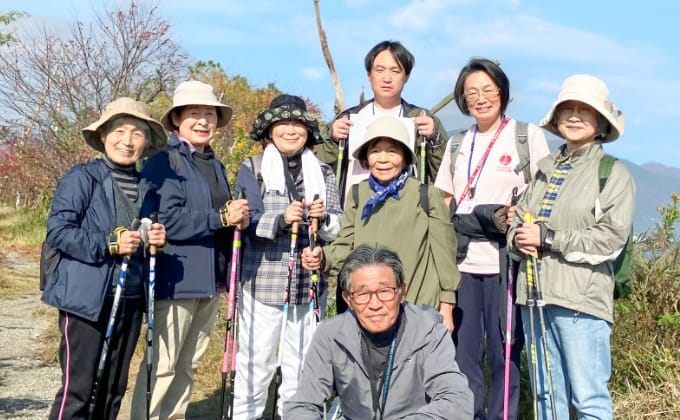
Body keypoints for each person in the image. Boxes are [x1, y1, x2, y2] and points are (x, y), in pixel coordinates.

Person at [508, 74, 634, 419]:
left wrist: (549, 238)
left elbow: (610, 239)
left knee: (589, 399)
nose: (574, 116)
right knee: (546, 396)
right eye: (568, 109)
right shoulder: (543, 170)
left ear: (600, 122)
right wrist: (518, 237)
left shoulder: (613, 173)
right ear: (557, 117)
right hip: (534, 297)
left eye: (585, 110)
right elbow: (518, 222)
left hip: (582, 301)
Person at [433, 58, 550, 420]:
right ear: (462, 99)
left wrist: (522, 216)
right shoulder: (457, 144)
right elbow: (444, 203)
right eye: (472, 93)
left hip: (507, 262)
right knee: (463, 355)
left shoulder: (526, 137)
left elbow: (544, 195)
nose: (480, 98)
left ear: (502, 92)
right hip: (463, 264)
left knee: (505, 354)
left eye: (488, 90)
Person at [42, 97, 167, 420]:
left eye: (137, 133)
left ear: (146, 142)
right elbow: (59, 231)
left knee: (113, 389)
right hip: (85, 299)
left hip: (131, 297)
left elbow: (140, 239)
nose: (127, 140)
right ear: (103, 135)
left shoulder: (147, 188)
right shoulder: (82, 177)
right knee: (79, 389)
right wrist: (109, 243)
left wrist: (154, 240)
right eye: (119, 131)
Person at [130, 80, 250, 420]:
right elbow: (165, 219)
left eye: (209, 114)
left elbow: (221, 220)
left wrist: (237, 221)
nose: (202, 121)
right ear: (177, 119)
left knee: (188, 366)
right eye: (194, 114)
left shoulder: (213, 163)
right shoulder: (163, 161)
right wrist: (220, 217)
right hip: (175, 279)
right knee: (163, 365)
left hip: (210, 280)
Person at [231, 94, 343, 418]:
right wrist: (281, 219)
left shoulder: (324, 172)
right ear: (270, 130)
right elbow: (247, 221)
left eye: (298, 124)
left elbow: (336, 225)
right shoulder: (253, 168)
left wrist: (323, 219)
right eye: (283, 123)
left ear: (308, 131)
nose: (291, 130)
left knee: (301, 367)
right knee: (255, 364)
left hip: (308, 285)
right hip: (261, 284)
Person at [303, 115, 459, 331]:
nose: (383, 159)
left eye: (392, 151)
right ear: (366, 158)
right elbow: (346, 246)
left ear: (405, 157)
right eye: (375, 151)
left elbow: (445, 255)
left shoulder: (426, 195)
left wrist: (447, 307)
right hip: (372, 309)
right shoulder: (357, 194)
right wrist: (322, 257)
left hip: (419, 306)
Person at [286, 244, 473, 419]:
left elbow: (457, 400)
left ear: (402, 292)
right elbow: (302, 404)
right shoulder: (330, 334)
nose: (375, 304)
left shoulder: (428, 330)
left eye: (384, 292)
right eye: (362, 294)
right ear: (348, 299)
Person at [315, 39, 448, 200]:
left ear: (406, 76)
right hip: (356, 207)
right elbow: (316, 169)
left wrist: (434, 139)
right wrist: (333, 141)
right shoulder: (348, 119)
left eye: (395, 71)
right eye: (379, 70)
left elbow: (446, 175)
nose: (387, 78)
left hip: (407, 209)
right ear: (369, 75)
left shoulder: (422, 119)